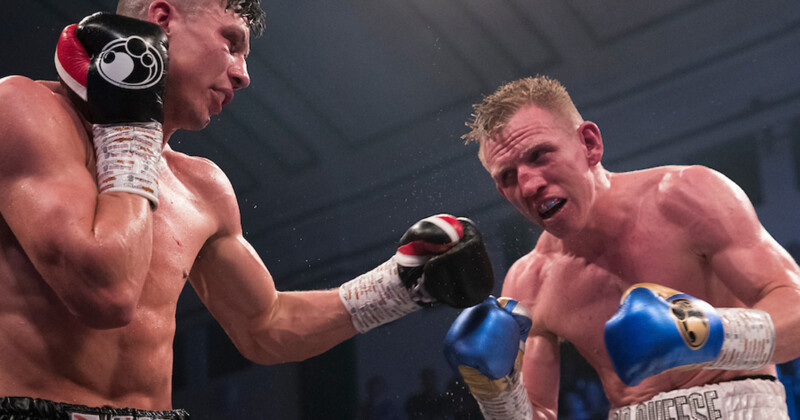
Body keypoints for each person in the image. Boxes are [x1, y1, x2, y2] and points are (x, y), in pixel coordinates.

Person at [0, 1, 493, 418]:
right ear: (162, 19)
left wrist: (401, 286)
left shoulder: (203, 186)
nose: (243, 74)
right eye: (231, 42)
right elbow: (105, 294)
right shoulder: (25, 110)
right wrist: (133, 126)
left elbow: (266, 326)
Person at [442, 75, 800, 419]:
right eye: (508, 176)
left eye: (540, 155)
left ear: (589, 144)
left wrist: (704, 333)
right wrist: (496, 393)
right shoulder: (530, 282)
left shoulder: (687, 196)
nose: (529, 185)